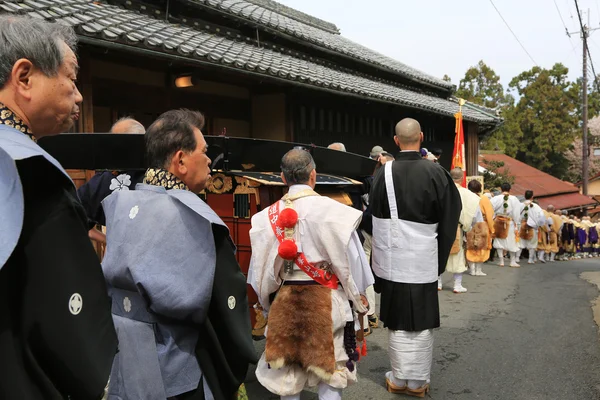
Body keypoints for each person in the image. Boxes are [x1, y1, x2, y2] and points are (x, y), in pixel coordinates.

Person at [101, 109, 256, 399]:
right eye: (204, 151)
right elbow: (224, 305)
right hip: (180, 363)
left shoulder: (120, 202)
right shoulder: (198, 217)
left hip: (126, 352)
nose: (210, 160)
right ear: (181, 160)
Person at [0, 15, 117, 399]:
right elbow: (69, 326)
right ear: (24, 78)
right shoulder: (29, 170)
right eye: (71, 77)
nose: (79, 94)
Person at [248, 148, 374, 400]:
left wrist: (265, 305)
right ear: (313, 175)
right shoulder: (337, 213)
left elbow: (258, 275)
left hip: (285, 304)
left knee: (287, 380)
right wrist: (360, 301)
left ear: (282, 178)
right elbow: (355, 266)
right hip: (328, 302)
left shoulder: (263, 219)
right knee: (330, 374)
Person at [370, 118, 461, 397]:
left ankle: (399, 378)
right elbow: (449, 218)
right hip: (423, 259)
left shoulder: (382, 174)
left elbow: (372, 217)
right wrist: (438, 256)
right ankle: (417, 382)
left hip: (393, 258)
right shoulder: (437, 173)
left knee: (397, 318)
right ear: (420, 137)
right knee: (421, 318)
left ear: (396, 141)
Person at [77, 117, 146, 244]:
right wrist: (108, 240)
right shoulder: (102, 181)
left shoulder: (101, 181)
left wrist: (109, 242)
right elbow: (76, 218)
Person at [441, 168, 481, 293]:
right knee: (458, 255)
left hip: (440, 227)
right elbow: (475, 216)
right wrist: (468, 226)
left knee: (439, 254)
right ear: (462, 178)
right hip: (457, 227)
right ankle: (457, 285)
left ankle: (438, 283)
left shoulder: (441, 189)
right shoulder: (469, 195)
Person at [466, 179, 495, 276]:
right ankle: (478, 270)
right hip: (482, 224)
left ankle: (472, 269)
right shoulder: (484, 199)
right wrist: (492, 229)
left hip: (468, 223)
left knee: (470, 246)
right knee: (481, 247)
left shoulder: (466, 197)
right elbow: (489, 214)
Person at [490, 183, 522, 267]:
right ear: (510, 189)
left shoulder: (495, 199)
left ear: (500, 189)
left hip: (498, 220)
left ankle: (501, 261)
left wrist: (493, 218)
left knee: (499, 240)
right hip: (509, 221)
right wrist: (517, 222)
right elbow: (516, 212)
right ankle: (512, 261)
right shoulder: (514, 199)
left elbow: (491, 210)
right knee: (511, 240)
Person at [517, 191, 546, 264]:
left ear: (524, 196)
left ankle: (517, 258)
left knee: (520, 242)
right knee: (532, 243)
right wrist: (538, 224)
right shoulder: (536, 206)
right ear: (532, 197)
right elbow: (541, 217)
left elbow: (515, 214)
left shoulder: (520, 205)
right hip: (532, 226)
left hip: (521, 225)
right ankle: (530, 259)